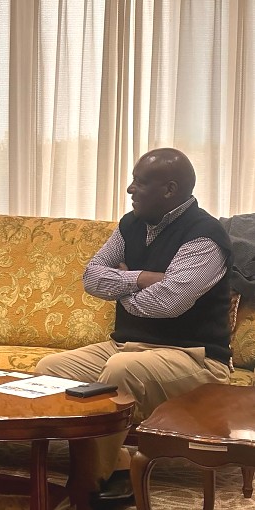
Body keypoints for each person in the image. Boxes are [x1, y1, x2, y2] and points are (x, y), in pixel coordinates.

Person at [35, 148, 232, 506]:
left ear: (169, 189)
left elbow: (166, 303)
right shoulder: (131, 224)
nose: (129, 189)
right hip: (126, 346)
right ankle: (117, 463)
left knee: (121, 370)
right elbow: (92, 278)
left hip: (195, 358)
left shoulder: (204, 236)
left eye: (139, 183)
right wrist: (142, 278)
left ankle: (89, 485)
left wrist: (122, 286)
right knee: (50, 369)